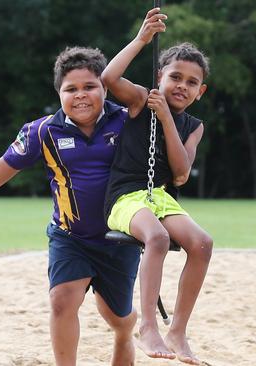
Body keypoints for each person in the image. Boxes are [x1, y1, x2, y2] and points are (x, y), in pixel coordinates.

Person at [0, 46, 140, 366]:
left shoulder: (127, 120)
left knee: (116, 317)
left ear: (105, 88)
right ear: (59, 93)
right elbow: (8, 163)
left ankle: (125, 330)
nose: (81, 95)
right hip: (70, 237)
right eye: (71, 89)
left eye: (90, 87)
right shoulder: (43, 131)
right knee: (62, 302)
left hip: (119, 239)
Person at [102, 7, 213, 365]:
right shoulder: (140, 100)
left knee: (201, 243)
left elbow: (180, 173)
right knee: (158, 238)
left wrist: (166, 117)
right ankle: (148, 325)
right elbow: (108, 77)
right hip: (124, 196)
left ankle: (177, 330)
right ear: (160, 76)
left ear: (200, 91)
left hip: (159, 196)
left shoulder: (193, 125)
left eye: (191, 82)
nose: (182, 86)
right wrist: (141, 39)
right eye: (175, 77)